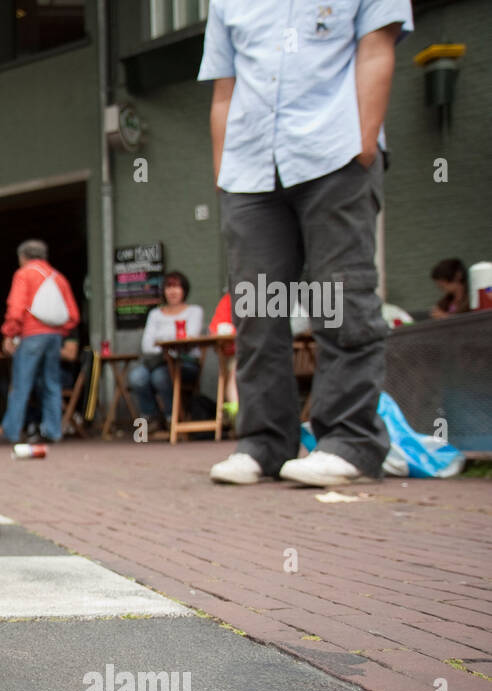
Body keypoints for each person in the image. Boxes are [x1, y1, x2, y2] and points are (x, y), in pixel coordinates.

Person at [201, 0, 413, 487]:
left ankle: (349, 442)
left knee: (340, 299)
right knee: (256, 310)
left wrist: (362, 142)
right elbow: (223, 90)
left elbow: (376, 50)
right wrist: (223, 172)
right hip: (250, 169)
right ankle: (263, 443)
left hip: (334, 152)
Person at [0, 239, 80, 443]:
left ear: (23, 257)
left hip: (31, 335)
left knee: (21, 384)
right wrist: (57, 331)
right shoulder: (58, 278)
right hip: (54, 337)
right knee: (52, 384)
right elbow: (72, 315)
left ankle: (11, 432)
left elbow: (16, 307)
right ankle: (53, 432)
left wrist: (9, 333)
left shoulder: (24, 274)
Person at [128, 271, 204, 430]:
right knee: (136, 377)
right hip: (157, 362)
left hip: (185, 364)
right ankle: (152, 418)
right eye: (169, 287)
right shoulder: (155, 314)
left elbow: (190, 339)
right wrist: (171, 344)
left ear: (184, 290)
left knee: (160, 376)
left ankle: (172, 418)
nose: (172, 291)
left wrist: (162, 341)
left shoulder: (194, 311)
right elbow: (146, 345)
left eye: (176, 287)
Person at [209, 291, 239, 423]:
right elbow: (216, 328)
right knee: (236, 371)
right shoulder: (229, 299)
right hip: (238, 352)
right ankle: (238, 418)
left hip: (269, 352)